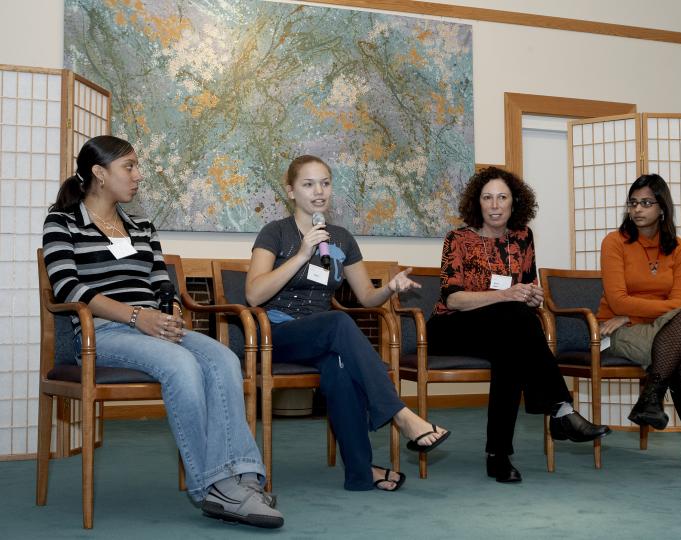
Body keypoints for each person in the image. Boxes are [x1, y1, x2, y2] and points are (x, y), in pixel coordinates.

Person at [42, 136, 284, 528]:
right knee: (181, 364)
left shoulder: (141, 227)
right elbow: (69, 288)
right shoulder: (62, 223)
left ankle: (242, 475)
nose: (139, 175)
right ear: (99, 174)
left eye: (137, 166)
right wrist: (138, 317)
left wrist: (168, 314)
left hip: (152, 326)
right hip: (101, 333)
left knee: (223, 357)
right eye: (129, 167)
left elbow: (161, 283)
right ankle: (214, 487)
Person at [245, 155, 451, 492]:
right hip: (277, 333)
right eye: (308, 184)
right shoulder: (276, 233)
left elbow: (367, 298)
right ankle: (400, 415)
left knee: (340, 370)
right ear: (291, 191)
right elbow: (253, 295)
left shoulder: (340, 238)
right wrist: (300, 253)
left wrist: (390, 288)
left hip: (323, 336)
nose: (319, 191)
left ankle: (359, 473)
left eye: (325, 183)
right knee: (338, 322)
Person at [425, 166, 611, 483]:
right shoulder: (457, 239)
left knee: (510, 346)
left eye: (502, 197)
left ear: (514, 203)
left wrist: (531, 296)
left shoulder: (522, 238)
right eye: (488, 198)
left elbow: (527, 288)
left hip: (503, 329)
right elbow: (453, 299)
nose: (495, 205)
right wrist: (508, 295)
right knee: (513, 320)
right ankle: (560, 409)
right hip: (451, 328)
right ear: (477, 203)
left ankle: (500, 455)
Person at [597, 173, 681, 474]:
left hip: (660, 327)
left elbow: (680, 302)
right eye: (633, 203)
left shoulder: (679, 247)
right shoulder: (614, 242)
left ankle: (652, 396)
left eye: (646, 203)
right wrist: (629, 316)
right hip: (619, 329)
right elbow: (617, 301)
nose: (637, 209)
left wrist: (634, 311)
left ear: (662, 207)